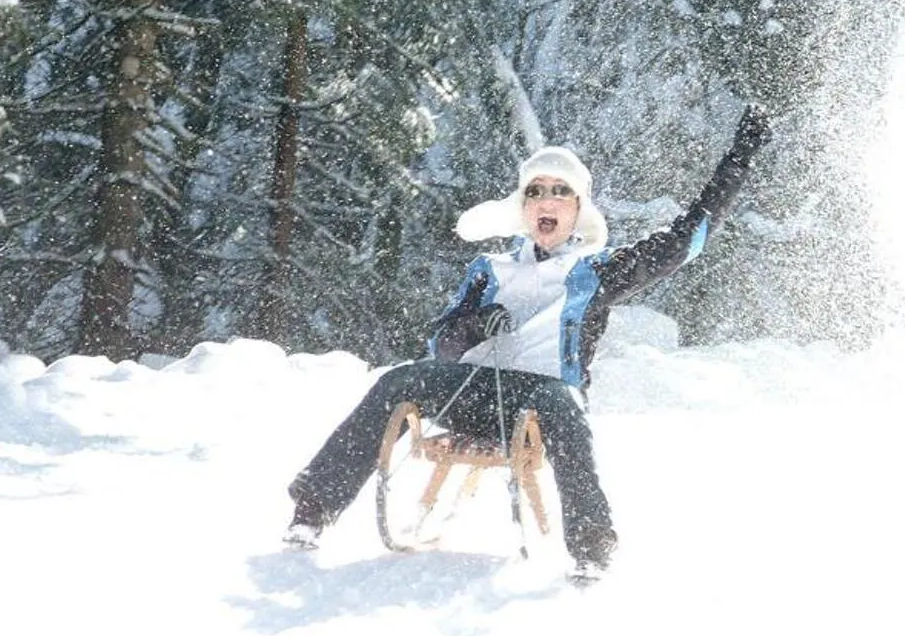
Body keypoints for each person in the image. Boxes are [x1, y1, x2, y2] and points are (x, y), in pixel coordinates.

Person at [283, 106, 772, 577]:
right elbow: (442, 346)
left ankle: (591, 544)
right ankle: (314, 507)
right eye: (536, 191)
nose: (547, 201)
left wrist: (739, 157)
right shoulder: (489, 270)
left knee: (563, 403)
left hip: (541, 403)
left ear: (577, 209)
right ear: (524, 207)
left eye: (560, 192)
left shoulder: (595, 272)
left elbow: (687, 238)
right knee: (400, 379)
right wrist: (475, 326)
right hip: (471, 392)